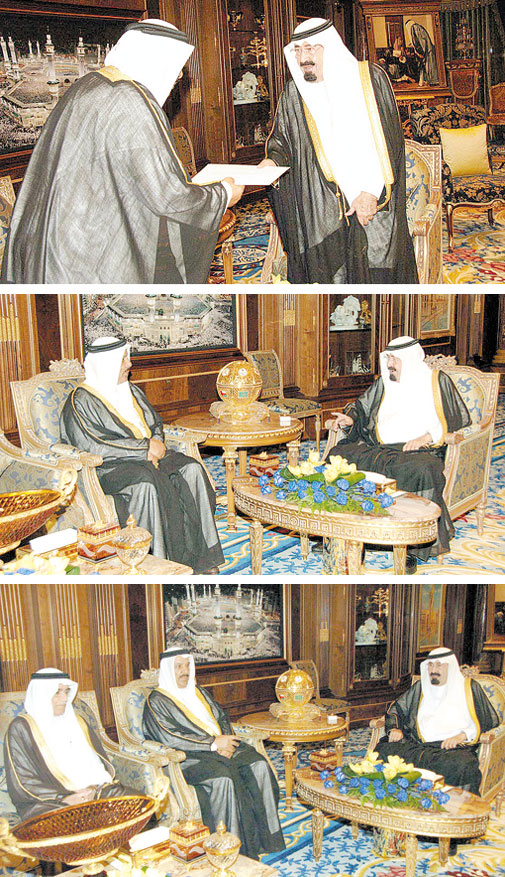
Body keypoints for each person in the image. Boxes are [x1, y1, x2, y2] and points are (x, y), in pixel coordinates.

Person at [1, 19, 244, 284]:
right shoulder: (129, 100)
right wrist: (223, 194)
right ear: (156, 60)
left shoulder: (89, 84)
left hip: (53, 238)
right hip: (85, 255)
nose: (178, 78)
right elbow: (166, 197)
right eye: (176, 68)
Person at [259, 18, 418, 283]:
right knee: (332, 280)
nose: (303, 58)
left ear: (330, 46)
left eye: (311, 48)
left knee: (375, 277)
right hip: (323, 208)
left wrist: (370, 192)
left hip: (371, 202)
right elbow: (281, 142)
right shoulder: (294, 93)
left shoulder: (370, 80)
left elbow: (390, 142)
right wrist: (271, 163)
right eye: (297, 50)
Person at [60, 336, 224, 574]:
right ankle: (155, 564)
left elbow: (154, 423)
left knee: (192, 469)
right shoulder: (80, 401)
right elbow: (94, 445)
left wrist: (155, 446)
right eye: (123, 359)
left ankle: (201, 557)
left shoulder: (132, 390)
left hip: (148, 458)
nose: (129, 364)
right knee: (146, 483)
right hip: (108, 467)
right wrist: (143, 450)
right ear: (106, 364)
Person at [325, 336, 471, 571]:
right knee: (339, 456)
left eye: (395, 359)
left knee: (420, 470)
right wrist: (350, 419)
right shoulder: (385, 382)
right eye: (388, 358)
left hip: (420, 449)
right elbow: (361, 407)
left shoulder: (436, 381)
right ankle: (339, 530)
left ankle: (410, 546)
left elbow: (455, 418)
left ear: (410, 359)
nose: (390, 363)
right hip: (380, 446)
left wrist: (425, 437)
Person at [142, 648, 285, 861]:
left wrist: (227, 742)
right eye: (178, 666)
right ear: (168, 670)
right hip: (189, 757)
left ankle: (267, 838)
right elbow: (170, 737)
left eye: (187, 665)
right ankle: (228, 849)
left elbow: (222, 717)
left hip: (220, 747)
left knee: (259, 765)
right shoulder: (156, 701)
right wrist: (212, 744)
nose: (184, 671)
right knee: (223, 778)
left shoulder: (198, 691)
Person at [5, 668, 129, 820]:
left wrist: (92, 788)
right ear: (41, 695)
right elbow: (23, 781)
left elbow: (95, 763)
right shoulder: (21, 727)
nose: (64, 698)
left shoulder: (77, 722)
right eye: (57, 692)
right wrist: (65, 797)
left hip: (92, 792)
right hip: (50, 801)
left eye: (66, 692)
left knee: (133, 800)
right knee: (64, 817)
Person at [374, 647, 500, 795]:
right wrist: (395, 728)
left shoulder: (469, 688)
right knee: (384, 750)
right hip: (418, 743)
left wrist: (462, 736)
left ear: (450, 666)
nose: (434, 670)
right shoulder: (420, 687)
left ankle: (454, 804)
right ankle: (393, 796)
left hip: (451, 748)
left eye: (439, 665)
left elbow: (487, 720)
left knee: (462, 766)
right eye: (430, 665)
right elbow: (397, 708)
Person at [405, 20, 439, 86]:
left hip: (426, 51)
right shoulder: (417, 27)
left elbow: (421, 41)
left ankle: (432, 81)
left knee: (428, 66)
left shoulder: (414, 27)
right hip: (427, 50)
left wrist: (420, 52)